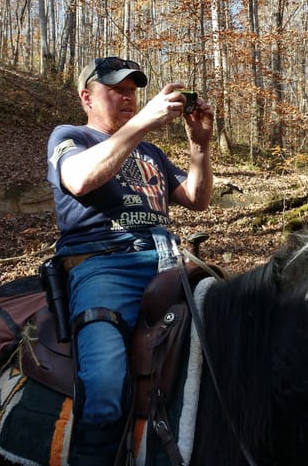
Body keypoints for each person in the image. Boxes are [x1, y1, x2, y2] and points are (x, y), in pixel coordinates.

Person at [46, 56, 214, 465]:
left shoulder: (151, 152)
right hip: (104, 265)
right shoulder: (70, 136)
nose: (128, 97)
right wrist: (142, 124)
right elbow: (78, 179)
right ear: (87, 97)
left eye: (132, 91)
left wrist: (200, 144)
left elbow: (197, 199)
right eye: (116, 90)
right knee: (104, 387)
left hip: (170, 263)